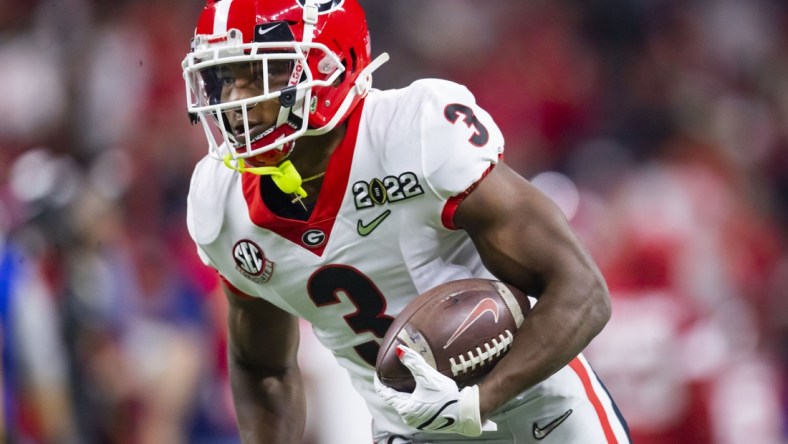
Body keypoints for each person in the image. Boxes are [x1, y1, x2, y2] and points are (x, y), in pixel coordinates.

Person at [182, 0, 630, 442]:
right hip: (410, 432)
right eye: (224, 79)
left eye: (264, 73)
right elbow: (264, 368)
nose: (238, 101)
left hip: (539, 413)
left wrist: (478, 402)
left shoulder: (415, 134)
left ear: (332, 65)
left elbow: (581, 290)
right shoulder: (222, 203)